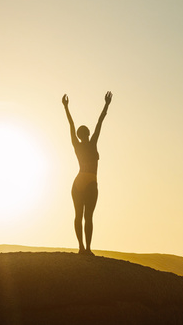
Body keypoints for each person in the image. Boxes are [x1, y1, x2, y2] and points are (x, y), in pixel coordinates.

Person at [62, 91, 113, 255]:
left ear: (79, 135)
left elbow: (71, 125)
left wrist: (66, 107)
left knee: (78, 215)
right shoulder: (92, 144)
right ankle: (87, 249)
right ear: (89, 134)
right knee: (88, 217)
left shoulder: (76, 144)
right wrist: (106, 104)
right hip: (91, 181)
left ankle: (81, 248)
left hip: (78, 181)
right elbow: (100, 122)